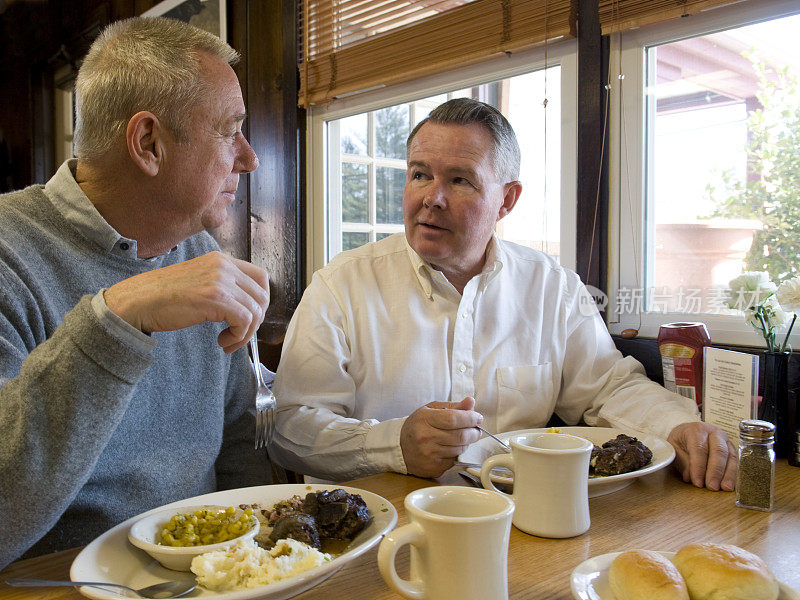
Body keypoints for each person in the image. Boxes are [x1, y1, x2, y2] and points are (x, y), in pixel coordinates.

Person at [272, 98, 738, 492]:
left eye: (459, 180)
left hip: (524, 521)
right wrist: (395, 445)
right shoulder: (342, 285)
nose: (431, 198)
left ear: (507, 200)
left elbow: (608, 387)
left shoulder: (550, 287)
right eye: (419, 175)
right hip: (379, 528)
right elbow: (290, 428)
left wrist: (676, 427)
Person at [0, 17, 270, 568]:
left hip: (201, 577)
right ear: (148, 143)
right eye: (228, 130)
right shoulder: (10, 255)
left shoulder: (198, 253)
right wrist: (117, 315)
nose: (249, 157)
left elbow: (240, 446)